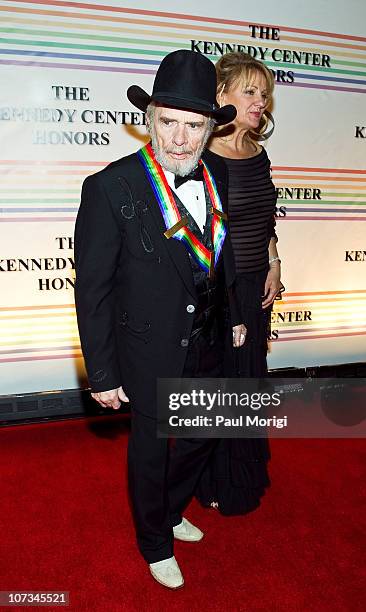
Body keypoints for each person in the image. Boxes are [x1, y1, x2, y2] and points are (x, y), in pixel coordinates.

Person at [74, 50, 246, 590]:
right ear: (148, 120)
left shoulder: (217, 170)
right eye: (166, 122)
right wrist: (101, 372)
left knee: (200, 437)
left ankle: (171, 510)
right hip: (147, 348)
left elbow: (224, 252)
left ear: (209, 129)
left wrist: (237, 314)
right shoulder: (110, 187)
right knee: (151, 452)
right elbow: (93, 288)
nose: (177, 138)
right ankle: (154, 542)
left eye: (191, 125)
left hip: (210, 340)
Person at [196, 52, 284, 516]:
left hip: (255, 287)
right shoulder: (202, 157)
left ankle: (243, 471)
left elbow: (264, 218)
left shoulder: (258, 152)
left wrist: (273, 262)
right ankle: (213, 477)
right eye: (249, 90)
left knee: (249, 379)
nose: (260, 100)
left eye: (264, 92)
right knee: (222, 382)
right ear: (220, 96)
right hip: (218, 291)